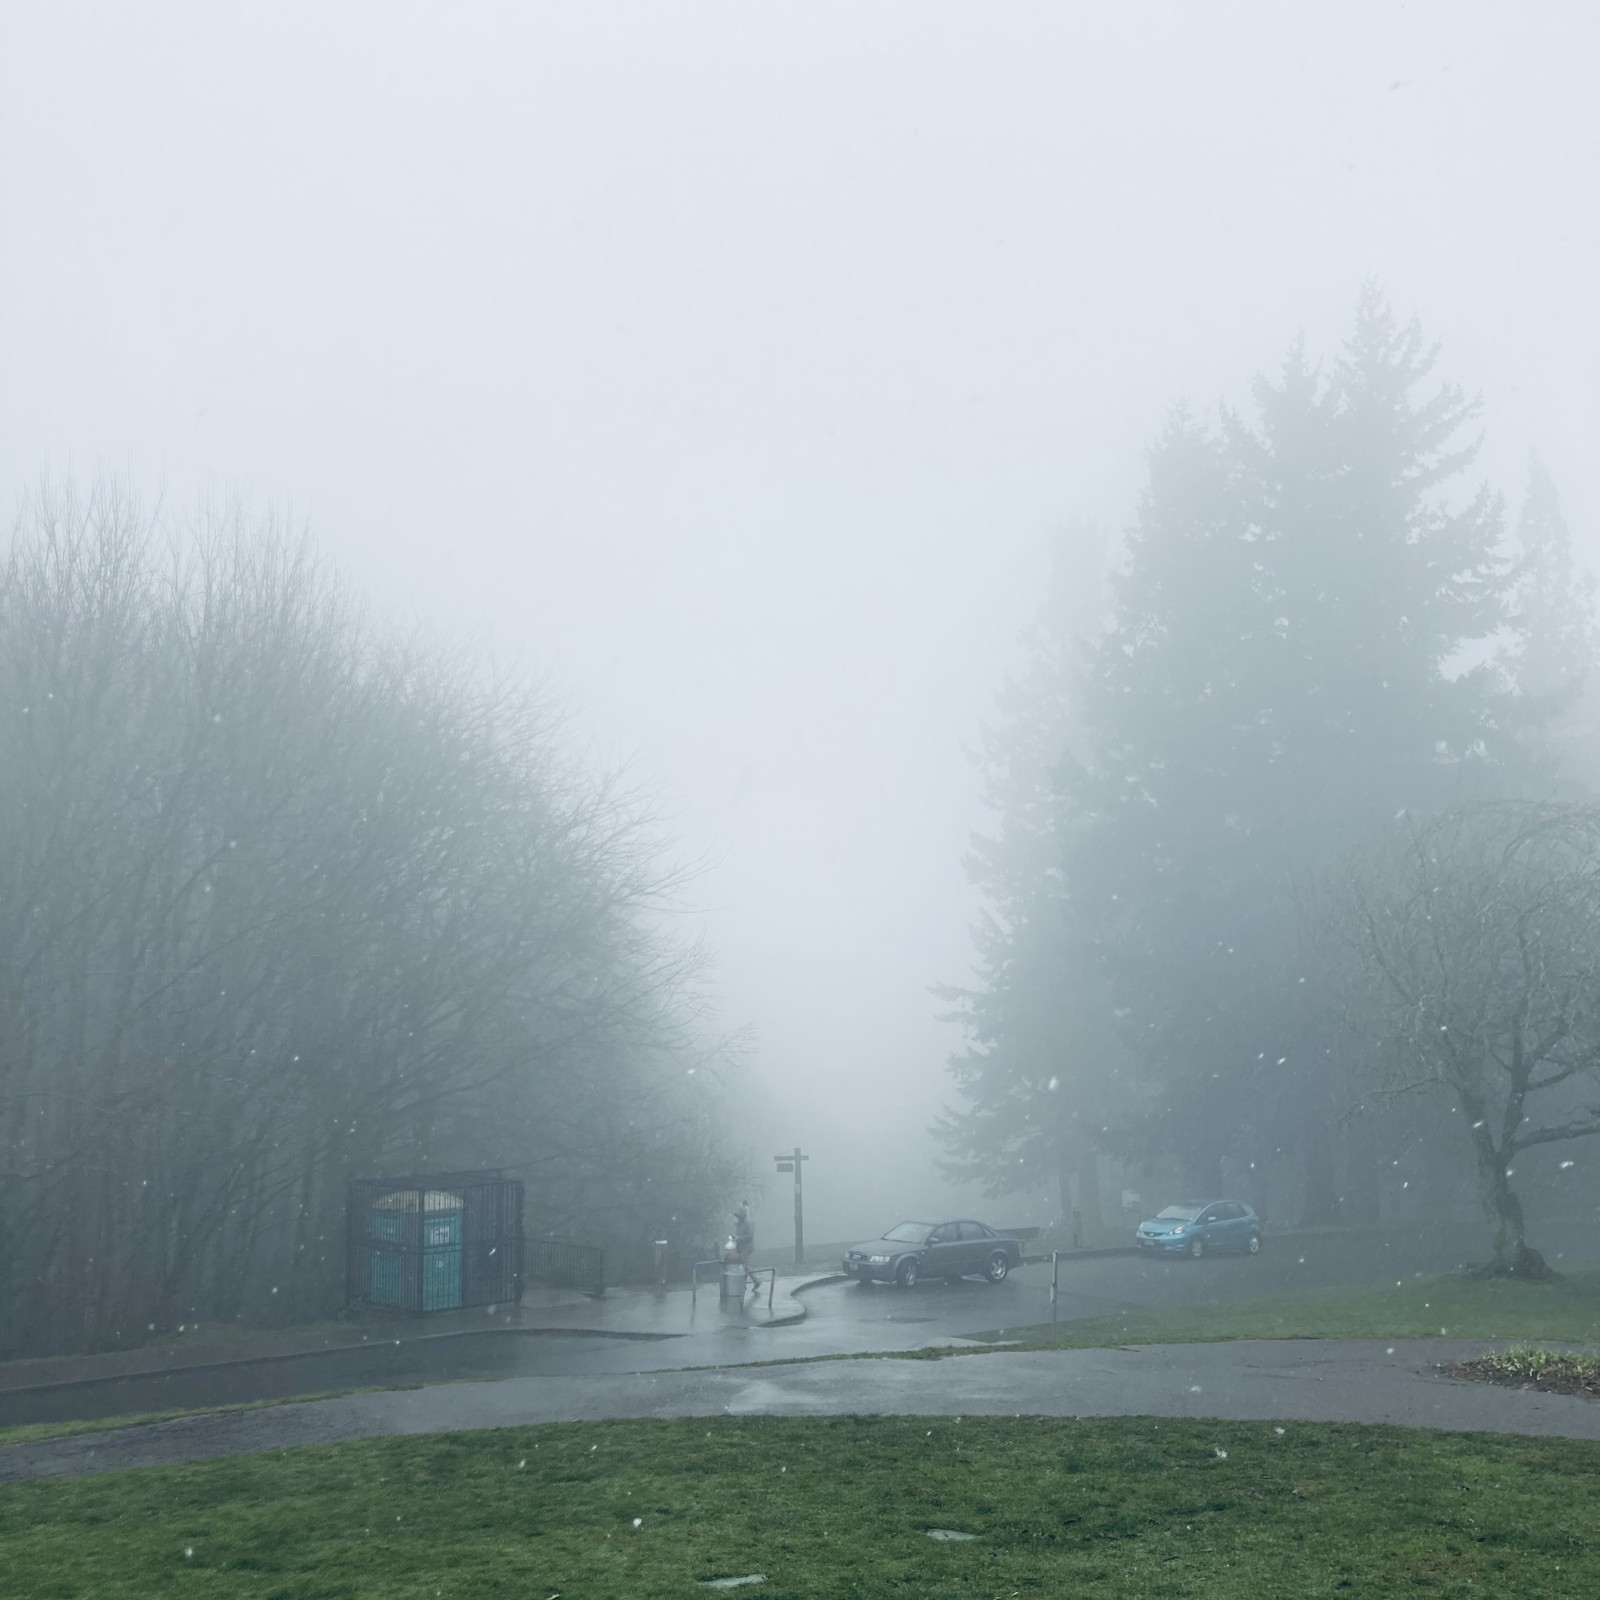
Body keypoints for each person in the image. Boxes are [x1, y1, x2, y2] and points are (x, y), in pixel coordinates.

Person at [732, 1200, 757, 1292]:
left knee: (744, 1265)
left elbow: (749, 1235)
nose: (738, 1217)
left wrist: (739, 1238)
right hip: (741, 1247)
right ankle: (744, 1284)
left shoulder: (748, 1223)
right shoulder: (740, 1223)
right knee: (743, 1265)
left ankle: (755, 1280)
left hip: (747, 1247)